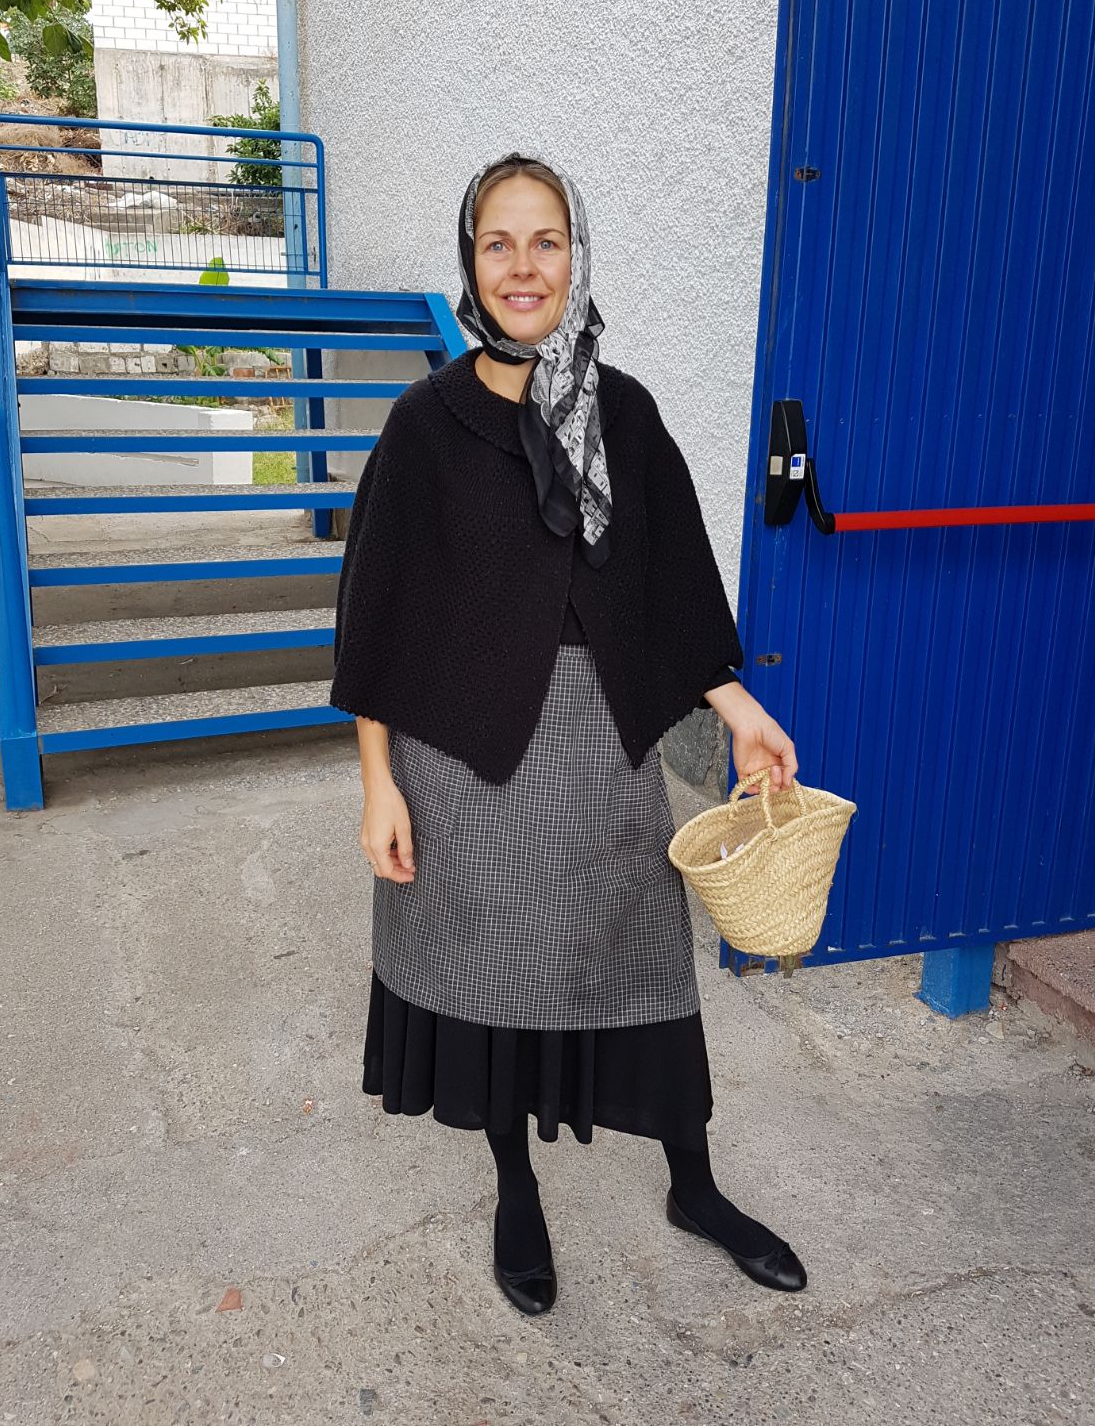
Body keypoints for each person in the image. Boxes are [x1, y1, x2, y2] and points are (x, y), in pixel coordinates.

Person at [329, 153, 804, 1316]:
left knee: (644, 967)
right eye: (499, 242)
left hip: (601, 749)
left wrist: (739, 710)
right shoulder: (426, 426)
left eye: (546, 240)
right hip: (465, 758)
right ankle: (515, 1190)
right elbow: (376, 615)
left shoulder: (622, 414)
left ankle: (695, 1185)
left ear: (575, 254)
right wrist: (378, 783)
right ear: (470, 261)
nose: (524, 265)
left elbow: (670, 587)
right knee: (496, 974)